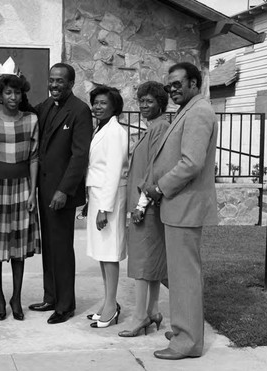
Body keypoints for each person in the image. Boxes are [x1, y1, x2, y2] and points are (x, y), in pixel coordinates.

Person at [144, 62, 218, 360]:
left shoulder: (199, 111)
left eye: (178, 84)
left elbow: (191, 162)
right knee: (178, 274)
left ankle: (187, 342)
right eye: (169, 85)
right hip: (178, 207)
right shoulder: (189, 109)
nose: (172, 89)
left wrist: (160, 187)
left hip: (184, 206)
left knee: (184, 275)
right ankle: (183, 330)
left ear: (194, 82)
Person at [28, 63, 93, 324]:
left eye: (60, 81)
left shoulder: (79, 111)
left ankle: (65, 306)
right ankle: (50, 297)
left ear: (71, 83)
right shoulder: (46, 106)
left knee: (62, 248)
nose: (54, 85)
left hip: (60, 193)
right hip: (43, 190)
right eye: (51, 80)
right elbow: (27, 112)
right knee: (50, 247)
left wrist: (64, 190)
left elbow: (79, 156)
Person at [0, 58, 41, 321]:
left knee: (18, 246)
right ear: (0, 95)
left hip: (22, 188)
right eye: (8, 92)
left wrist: (32, 192)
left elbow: (35, 157)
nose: (13, 96)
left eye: (17, 92)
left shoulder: (31, 120)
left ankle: (16, 297)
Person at [118, 81, 169, 337]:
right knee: (151, 261)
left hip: (146, 206)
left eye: (149, 101)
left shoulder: (160, 129)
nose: (144, 106)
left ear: (161, 103)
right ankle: (153, 310)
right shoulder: (154, 128)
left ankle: (140, 316)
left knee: (141, 263)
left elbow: (154, 169)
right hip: (146, 205)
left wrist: (140, 205)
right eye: (141, 101)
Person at [84, 86, 128, 329]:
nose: (97, 107)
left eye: (103, 103)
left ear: (114, 106)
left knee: (110, 253)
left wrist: (104, 208)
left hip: (108, 199)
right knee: (102, 253)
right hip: (98, 194)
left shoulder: (116, 132)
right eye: (95, 103)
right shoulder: (101, 129)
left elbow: (113, 171)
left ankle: (111, 307)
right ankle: (108, 302)